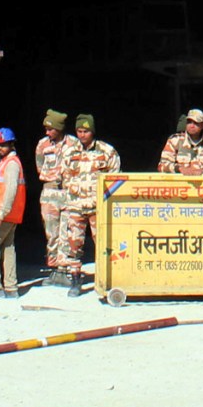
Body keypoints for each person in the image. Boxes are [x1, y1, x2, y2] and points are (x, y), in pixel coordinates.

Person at [56, 114, 119, 294]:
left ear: (92, 131)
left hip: (97, 207)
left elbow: (115, 178)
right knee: (74, 245)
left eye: (86, 131)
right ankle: (76, 279)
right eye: (79, 131)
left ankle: (104, 279)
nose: (82, 135)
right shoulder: (69, 152)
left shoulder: (106, 151)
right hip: (76, 206)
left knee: (102, 243)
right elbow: (64, 175)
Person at [0, 129, 26, 297]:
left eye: (2, 145)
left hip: (2, 215)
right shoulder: (8, 162)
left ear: (11, 144)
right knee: (9, 248)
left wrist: (1, 213)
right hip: (11, 215)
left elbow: (10, 191)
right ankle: (11, 287)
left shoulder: (11, 164)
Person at [33, 110, 70, 286]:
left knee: (67, 233)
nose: (47, 132)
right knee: (52, 234)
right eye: (46, 129)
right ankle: (54, 269)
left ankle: (65, 270)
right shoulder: (42, 145)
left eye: (51, 129)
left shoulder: (73, 144)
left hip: (68, 193)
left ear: (59, 128)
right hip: (49, 192)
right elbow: (39, 167)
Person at [157, 107, 203, 174]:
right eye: (189, 122)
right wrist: (179, 169)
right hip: (181, 183)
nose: (192, 126)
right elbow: (162, 165)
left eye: (196, 123)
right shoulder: (175, 140)